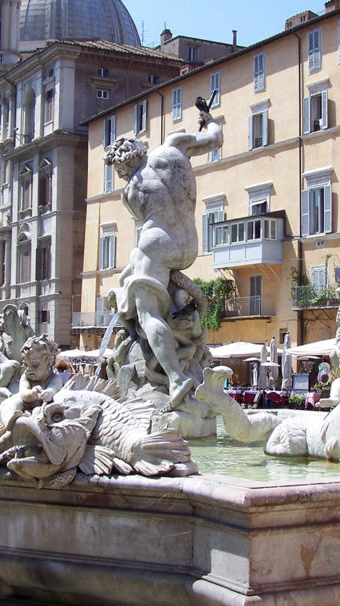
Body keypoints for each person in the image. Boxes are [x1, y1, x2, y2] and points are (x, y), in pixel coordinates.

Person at [104, 103, 223, 409]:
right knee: (152, 293)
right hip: (188, 245)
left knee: (146, 312)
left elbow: (142, 236)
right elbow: (215, 139)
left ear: (122, 168)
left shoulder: (130, 192)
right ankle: (183, 338)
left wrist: (127, 275)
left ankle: (175, 377)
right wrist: (208, 120)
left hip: (156, 245)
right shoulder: (173, 145)